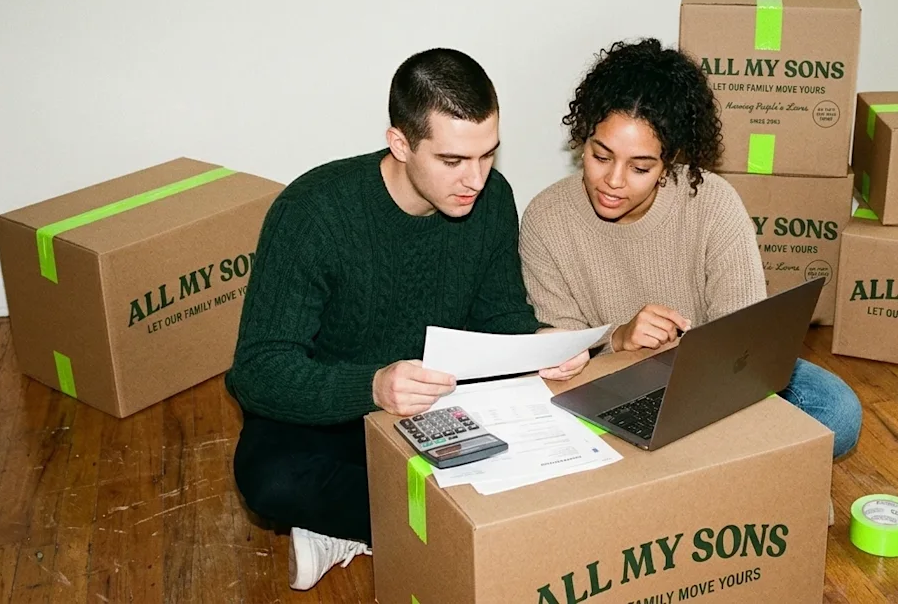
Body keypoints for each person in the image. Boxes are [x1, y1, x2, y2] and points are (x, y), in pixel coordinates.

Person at [225, 47, 589, 591]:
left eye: (488, 154)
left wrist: (540, 346)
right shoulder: (314, 213)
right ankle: (430, 527)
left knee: (563, 447)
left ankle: (367, 526)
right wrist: (372, 384)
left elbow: (502, 316)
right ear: (400, 142)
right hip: (334, 408)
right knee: (269, 477)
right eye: (452, 161)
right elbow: (257, 371)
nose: (476, 178)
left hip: (440, 401)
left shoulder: (491, 201)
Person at [518, 37, 862, 470]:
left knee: (838, 412)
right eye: (600, 156)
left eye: (641, 168)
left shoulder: (713, 203)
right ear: (582, 139)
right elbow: (562, 359)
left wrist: (695, 363)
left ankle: (699, 468)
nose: (613, 181)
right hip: (612, 387)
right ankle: (736, 469)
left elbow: (747, 342)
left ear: (670, 162)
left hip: (712, 384)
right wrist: (618, 339)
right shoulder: (546, 218)